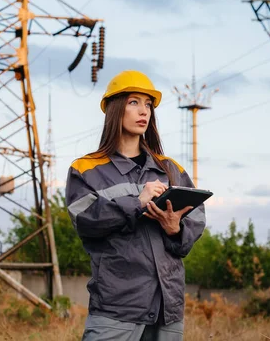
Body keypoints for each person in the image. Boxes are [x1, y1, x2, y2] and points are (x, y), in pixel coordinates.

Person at [65, 70, 207, 341]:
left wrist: (175, 228)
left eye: (148, 104)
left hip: (167, 308)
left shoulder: (170, 169)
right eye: (133, 102)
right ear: (115, 108)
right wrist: (137, 203)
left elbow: (196, 219)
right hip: (117, 308)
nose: (144, 111)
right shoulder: (87, 169)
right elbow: (85, 220)